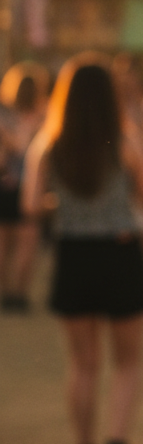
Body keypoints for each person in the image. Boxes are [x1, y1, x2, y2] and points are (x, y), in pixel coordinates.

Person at [21, 54, 143, 444]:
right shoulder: (125, 140)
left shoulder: (50, 144)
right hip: (120, 254)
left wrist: (66, 207)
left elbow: (29, 205)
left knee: (82, 363)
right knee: (127, 361)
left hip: (73, 253)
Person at [0, 62, 47, 310]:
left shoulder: (4, 115)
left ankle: (9, 294)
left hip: (7, 184)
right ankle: (19, 294)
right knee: (25, 243)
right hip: (30, 186)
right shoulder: (45, 116)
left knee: (5, 245)